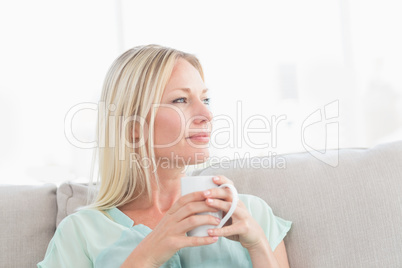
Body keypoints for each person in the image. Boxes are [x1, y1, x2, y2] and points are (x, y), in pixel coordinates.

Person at [38, 44, 292, 267]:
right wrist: (148, 255)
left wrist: (258, 244)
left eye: (206, 98)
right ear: (133, 128)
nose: (207, 114)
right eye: (181, 100)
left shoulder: (250, 214)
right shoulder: (81, 232)